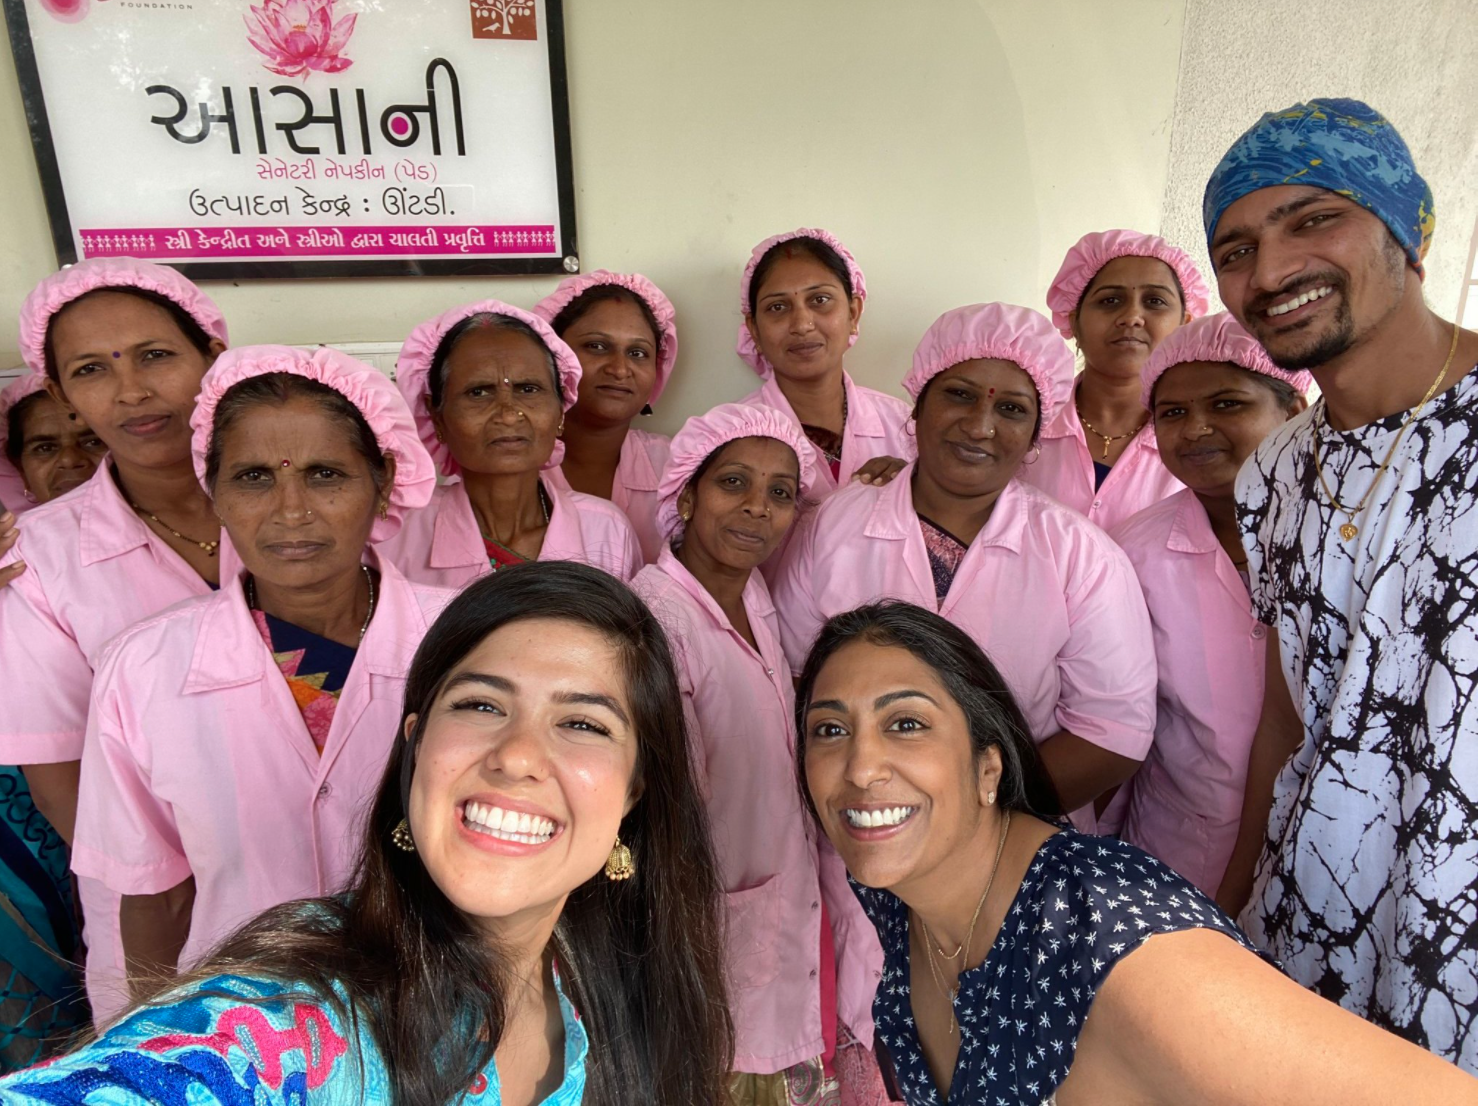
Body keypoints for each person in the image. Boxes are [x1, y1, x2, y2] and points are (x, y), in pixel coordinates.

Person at [0, 563, 735, 1105]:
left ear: (637, 790)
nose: (515, 756)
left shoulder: (605, 984)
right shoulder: (287, 1025)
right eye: (480, 705)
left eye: (582, 723)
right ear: (415, 744)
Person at [795, 601, 1478, 1105]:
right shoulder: (895, 884)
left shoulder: (1120, 945)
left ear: (988, 767)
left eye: (906, 723)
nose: (860, 767)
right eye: (830, 729)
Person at [1206, 98, 1478, 1071]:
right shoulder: (1271, 473)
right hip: (1310, 927)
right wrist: (1233, 907)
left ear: (1406, 229)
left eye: (1312, 218)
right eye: (1234, 248)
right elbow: (1285, 722)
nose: (1270, 270)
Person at [69, 345, 444, 1006]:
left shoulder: (465, 643)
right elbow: (153, 895)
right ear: (212, 489)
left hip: (434, 1008)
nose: (291, 510)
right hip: (237, 1030)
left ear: (382, 480)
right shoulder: (146, 668)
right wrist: (152, 1048)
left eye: (326, 473)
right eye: (252, 477)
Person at [773, 302, 1156, 831]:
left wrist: (975, 826)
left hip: (1015, 845)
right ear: (918, 407)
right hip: (856, 827)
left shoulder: (1080, 554)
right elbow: (794, 675)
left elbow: (1113, 733)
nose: (980, 426)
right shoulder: (835, 524)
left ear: (1034, 435)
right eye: (959, 395)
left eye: (1012, 410)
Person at [630, 404, 886, 1104]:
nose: (758, 509)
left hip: (778, 899)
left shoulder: (757, 595)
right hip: (711, 912)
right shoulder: (656, 616)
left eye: (780, 493)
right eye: (734, 483)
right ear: (686, 495)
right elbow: (671, 809)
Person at [0, 257, 229, 1021]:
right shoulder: (38, 557)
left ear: (211, 359)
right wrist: (179, 882)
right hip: (156, 906)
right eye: (92, 370)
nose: (131, 391)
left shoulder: (308, 505)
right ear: (61, 395)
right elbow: (59, 773)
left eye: (156, 356)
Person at [1110, 313, 1310, 894]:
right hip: (1173, 857)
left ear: (1294, 412)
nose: (1196, 429)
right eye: (1173, 413)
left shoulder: (1341, 537)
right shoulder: (1133, 551)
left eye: (1226, 404)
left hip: (1325, 855)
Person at [379, 301, 642, 587]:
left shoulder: (606, 530)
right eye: (478, 392)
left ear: (560, 411)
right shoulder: (395, 536)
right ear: (437, 417)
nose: (507, 414)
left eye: (528, 389)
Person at [1020, 229, 1210, 532]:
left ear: (1185, 325)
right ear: (1073, 320)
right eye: (1110, 300)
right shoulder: (1021, 421)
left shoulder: (1205, 439)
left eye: (1155, 301)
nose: (1132, 316)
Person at [737, 228, 911, 499]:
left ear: (853, 313)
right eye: (778, 307)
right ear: (755, 330)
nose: (802, 325)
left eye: (820, 300)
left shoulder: (906, 428)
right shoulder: (728, 436)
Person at [533, 270, 678, 563]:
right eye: (597, 346)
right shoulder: (510, 462)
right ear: (552, 356)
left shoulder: (677, 467)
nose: (620, 369)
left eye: (638, 353)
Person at [1, 373, 108, 509]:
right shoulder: (20, 530)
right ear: (22, 471)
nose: (69, 460)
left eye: (94, 442)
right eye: (45, 448)